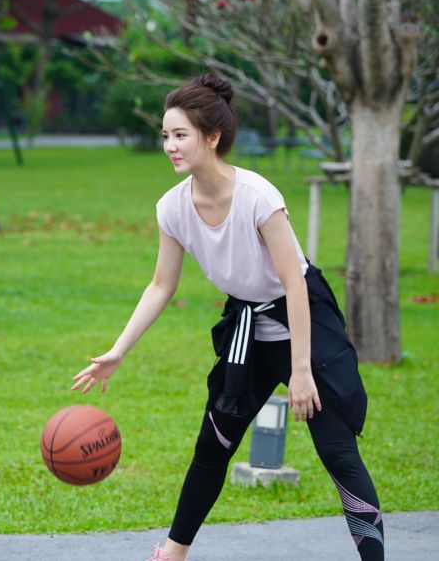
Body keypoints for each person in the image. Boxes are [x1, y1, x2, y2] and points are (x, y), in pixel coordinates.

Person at [72, 75, 383, 561]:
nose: (170, 146)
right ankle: (174, 552)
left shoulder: (258, 196)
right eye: (165, 135)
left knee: (338, 452)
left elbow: (295, 284)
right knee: (213, 445)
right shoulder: (172, 208)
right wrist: (118, 351)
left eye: (181, 135)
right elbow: (161, 285)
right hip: (247, 329)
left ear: (212, 137)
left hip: (304, 323)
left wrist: (301, 371)